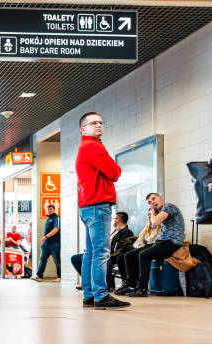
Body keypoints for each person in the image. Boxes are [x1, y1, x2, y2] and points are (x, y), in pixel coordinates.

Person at [75, 112, 130, 309]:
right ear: (84, 129)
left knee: (90, 253)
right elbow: (115, 172)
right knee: (101, 253)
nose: (98, 125)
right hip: (98, 206)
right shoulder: (93, 146)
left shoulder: (85, 147)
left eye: (100, 122)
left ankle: (89, 295)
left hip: (88, 207)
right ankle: (100, 295)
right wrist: (113, 167)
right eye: (93, 123)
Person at [125, 193, 184, 298]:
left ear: (160, 198)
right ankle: (130, 286)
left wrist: (152, 212)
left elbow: (155, 222)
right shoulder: (161, 211)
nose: (152, 202)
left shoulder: (169, 206)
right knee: (129, 255)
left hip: (172, 242)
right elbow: (152, 225)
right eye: (149, 202)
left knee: (144, 254)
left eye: (154, 199)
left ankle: (142, 288)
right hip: (161, 242)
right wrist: (153, 214)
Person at [114, 208, 161, 295]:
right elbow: (137, 242)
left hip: (154, 247)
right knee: (127, 255)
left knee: (141, 254)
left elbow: (154, 240)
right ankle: (129, 284)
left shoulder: (160, 227)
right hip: (144, 247)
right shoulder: (146, 228)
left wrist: (144, 244)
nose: (149, 216)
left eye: (151, 214)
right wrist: (140, 245)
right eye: (148, 215)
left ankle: (141, 287)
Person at [105, 211, 134, 291]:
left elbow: (120, 246)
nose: (113, 220)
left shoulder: (127, 232)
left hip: (114, 255)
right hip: (107, 253)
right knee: (80, 258)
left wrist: (108, 250)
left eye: (114, 218)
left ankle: (108, 286)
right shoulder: (115, 231)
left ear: (118, 219)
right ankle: (90, 283)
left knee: (107, 260)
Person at [32, 205, 61, 282]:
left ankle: (60, 276)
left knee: (57, 260)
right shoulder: (48, 219)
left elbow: (56, 229)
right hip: (46, 244)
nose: (49, 210)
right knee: (42, 259)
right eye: (48, 209)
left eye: (51, 209)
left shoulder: (56, 218)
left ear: (54, 210)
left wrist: (46, 236)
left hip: (54, 243)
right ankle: (39, 276)